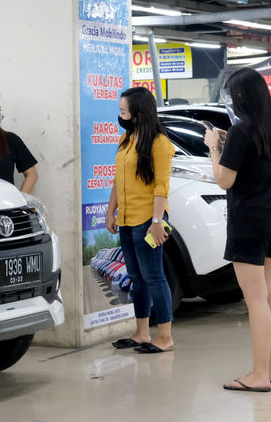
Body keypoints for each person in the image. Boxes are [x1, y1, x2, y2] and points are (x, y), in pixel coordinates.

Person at [204, 68, 271, 393]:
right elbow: (257, 161)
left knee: (255, 299)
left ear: (240, 97)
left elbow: (224, 180)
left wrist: (214, 147)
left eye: (231, 95)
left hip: (249, 223)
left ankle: (258, 375)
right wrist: (229, 144)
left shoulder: (242, 131)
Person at [106, 87, 176, 354]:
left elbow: (161, 186)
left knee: (154, 276)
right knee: (136, 277)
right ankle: (142, 333)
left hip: (148, 219)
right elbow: (118, 180)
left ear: (138, 114)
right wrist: (111, 212)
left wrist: (157, 222)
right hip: (126, 218)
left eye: (123, 112)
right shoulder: (126, 139)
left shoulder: (160, 143)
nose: (120, 116)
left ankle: (165, 337)